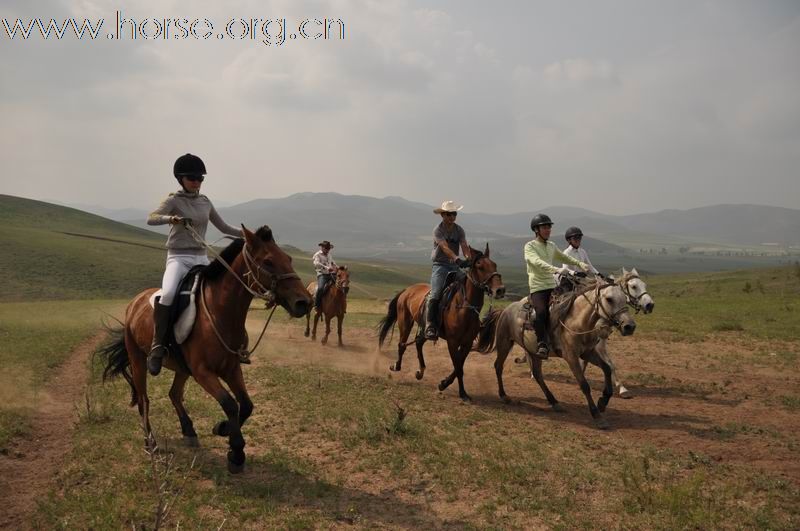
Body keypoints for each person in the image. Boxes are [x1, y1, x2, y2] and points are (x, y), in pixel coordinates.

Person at [145, 153, 243, 376]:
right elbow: (151, 217)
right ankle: (158, 346)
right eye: (192, 177)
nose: (197, 181)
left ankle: (233, 344)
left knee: (225, 290)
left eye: (200, 178)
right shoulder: (173, 200)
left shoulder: (205, 202)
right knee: (168, 294)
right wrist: (171, 219)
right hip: (178, 258)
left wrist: (248, 234)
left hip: (201, 257)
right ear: (181, 178)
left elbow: (225, 228)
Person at [524, 214, 589, 359]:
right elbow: (536, 262)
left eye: (549, 227)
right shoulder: (530, 246)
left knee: (569, 307)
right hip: (538, 287)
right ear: (536, 230)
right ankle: (541, 343)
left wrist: (579, 263)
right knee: (541, 313)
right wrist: (556, 269)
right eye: (544, 227)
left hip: (552, 285)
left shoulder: (552, 246)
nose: (548, 230)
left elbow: (565, 257)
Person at [426, 200, 471, 340]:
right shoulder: (438, 230)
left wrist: (468, 258)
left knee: (469, 287)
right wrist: (457, 259)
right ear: (443, 215)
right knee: (435, 294)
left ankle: (470, 320)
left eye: (454, 214)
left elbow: (464, 245)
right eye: (449, 214)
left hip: (454, 266)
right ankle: (430, 325)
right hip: (440, 265)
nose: (452, 217)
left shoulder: (459, 230)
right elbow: (444, 247)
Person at [312, 241, 338, 311]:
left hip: (330, 274)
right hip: (322, 274)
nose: (327, 250)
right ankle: (316, 304)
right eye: (326, 248)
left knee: (339, 286)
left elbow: (332, 262)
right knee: (320, 288)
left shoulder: (329, 255)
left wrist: (337, 267)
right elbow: (316, 263)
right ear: (322, 247)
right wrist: (326, 267)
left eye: (328, 248)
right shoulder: (317, 255)